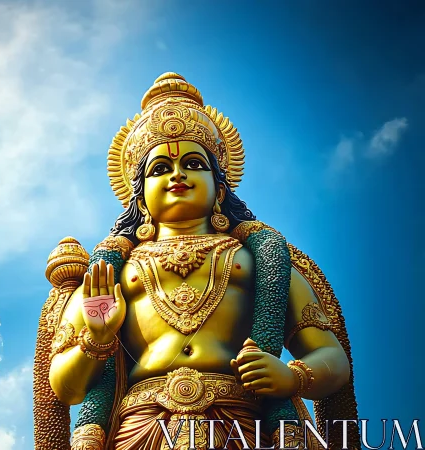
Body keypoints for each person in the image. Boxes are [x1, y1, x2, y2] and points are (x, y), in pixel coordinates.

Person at [33, 73, 359, 450]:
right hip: (140, 428)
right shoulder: (112, 274)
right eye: (159, 169)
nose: (177, 174)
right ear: (140, 198)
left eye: (193, 163)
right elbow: (65, 387)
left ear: (219, 189)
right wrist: (97, 339)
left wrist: (292, 378)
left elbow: (331, 357)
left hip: (245, 422)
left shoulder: (260, 262)